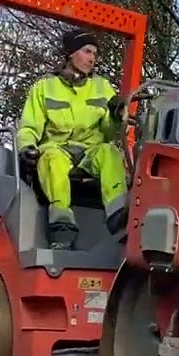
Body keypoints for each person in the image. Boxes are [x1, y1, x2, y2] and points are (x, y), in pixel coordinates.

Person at [16, 27, 128, 250]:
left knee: (110, 152)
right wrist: (26, 147)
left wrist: (116, 115)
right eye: (87, 51)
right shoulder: (44, 88)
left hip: (90, 152)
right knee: (52, 160)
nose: (92, 59)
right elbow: (30, 126)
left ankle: (119, 217)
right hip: (57, 149)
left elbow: (107, 131)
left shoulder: (102, 87)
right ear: (71, 53)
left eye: (94, 54)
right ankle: (62, 226)